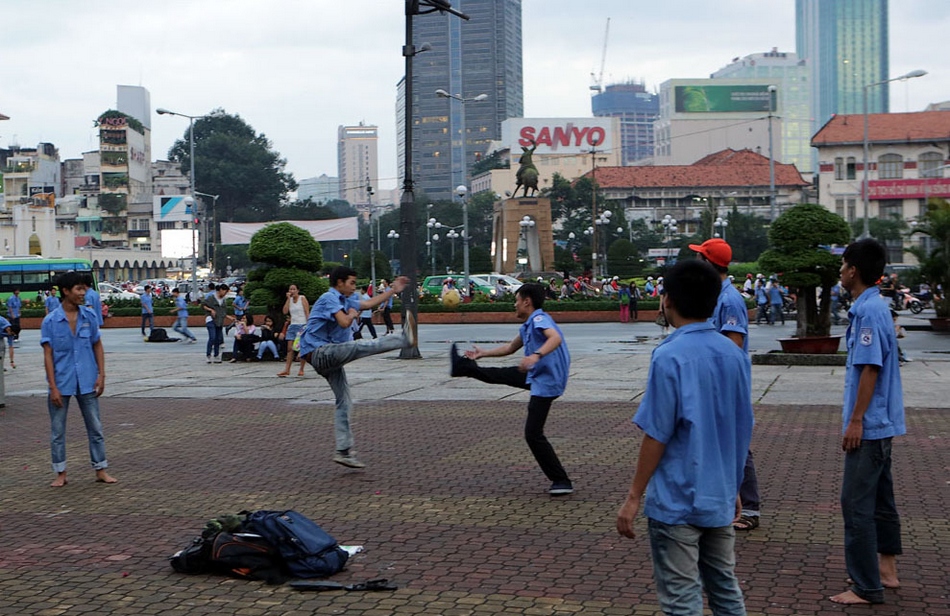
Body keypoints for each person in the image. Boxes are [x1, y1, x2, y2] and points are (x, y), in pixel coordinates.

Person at [616, 260, 752, 616]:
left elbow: (657, 434)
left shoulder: (668, 356)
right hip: (718, 495)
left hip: (676, 501)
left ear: (668, 300)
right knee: (725, 589)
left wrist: (633, 497)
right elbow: (739, 428)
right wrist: (733, 484)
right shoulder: (735, 356)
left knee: (681, 600)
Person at [830, 238, 905, 606]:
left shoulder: (869, 312)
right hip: (883, 422)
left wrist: (856, 420)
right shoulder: (873, 307)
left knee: (855, 503)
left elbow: (870, 368)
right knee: (880, 499)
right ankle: (886, 571)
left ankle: (865, 585)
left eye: (843, 265)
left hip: (871, 424)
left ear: (854, 270)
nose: (840, 271)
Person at [449, 283, 574, 496]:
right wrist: (484, 353)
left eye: (516, 300)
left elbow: (555, 338)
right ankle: (464, 367)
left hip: (546, 382)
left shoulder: (538, 319)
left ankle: (561, 480)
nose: (514, 305)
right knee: (499, 375)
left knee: (533, 434)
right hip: (537, 376)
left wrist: (536, 355)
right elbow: (509, 348)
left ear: (527, 301)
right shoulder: (528, 325)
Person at [296, 267, 415, 469]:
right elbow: (343, 322)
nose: (354, 286)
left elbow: (368, 303)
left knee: (344, 401)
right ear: (339, 283)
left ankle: (343, 451)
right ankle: (403, 338)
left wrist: (393, 291)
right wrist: (351, 314)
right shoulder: (329, 297)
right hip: (320, 353)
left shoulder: (345, 299)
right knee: (360, 346)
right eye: (351, 282)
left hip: (326, 357)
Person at [690, 238, 761, 532]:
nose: (696, 263)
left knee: (737, 444)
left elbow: (734, 344)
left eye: (700, 258)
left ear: (709, 263)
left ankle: (751, 509)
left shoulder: (730, 300)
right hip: (716, 382)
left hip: (727, 384)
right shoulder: (715, 294)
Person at [41, 271, 117, 487]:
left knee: (95, 427)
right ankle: (60, 472)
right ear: (66, 292)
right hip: (61, 382)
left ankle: (100, 469)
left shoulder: (89, 316)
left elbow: (97, 344)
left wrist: (102, 375)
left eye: (84, 288)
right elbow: (47, 354)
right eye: (79, 289)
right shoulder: (51, 321)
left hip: (87, 380)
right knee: (58, 430)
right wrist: (52, 386)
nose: (83, 293)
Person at [277, 283, 310, 377]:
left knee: (301, 347)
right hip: (293, 325)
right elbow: (285, 311)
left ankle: (301, 369)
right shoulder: (290, 300)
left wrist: (308, 325)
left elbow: (307, 312)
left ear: (298, 290)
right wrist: (288, 299)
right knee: (289, 348)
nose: (292, 291)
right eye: (290, 289)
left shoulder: (302, 298)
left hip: (302, 324)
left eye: (294, 289)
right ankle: (287, 369)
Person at [202, 284, 231, 363]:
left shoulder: (223, 300)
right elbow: (203, 305)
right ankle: (208, 355)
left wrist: (229, 317)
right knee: (212, 337)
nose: (225, 294)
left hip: (219, 320)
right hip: (210, 319)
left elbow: (223, 312)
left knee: (218, 338)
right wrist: (211, 310)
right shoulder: (211, 298)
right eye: (225, 292)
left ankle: (216, 355)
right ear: (221, 290)